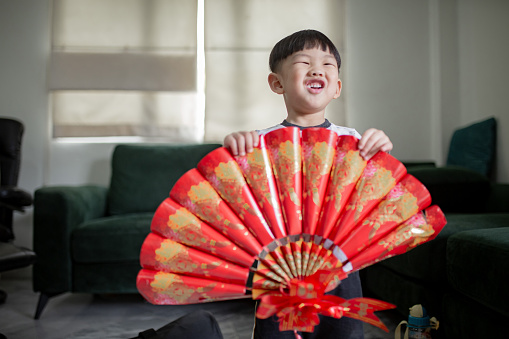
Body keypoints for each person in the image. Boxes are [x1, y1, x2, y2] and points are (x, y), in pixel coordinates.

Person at [223, 30, 393, 339]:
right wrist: (236, 146)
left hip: (339, 263)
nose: (317, 69)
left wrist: (380, 150)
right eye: (304, 62)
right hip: (278, 266)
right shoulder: (260, 143)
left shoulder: (354, 141)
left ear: (337, 87)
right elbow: (239, 195)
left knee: (344, 331)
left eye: (327, 64)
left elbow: (376, 194)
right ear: (277, 83)